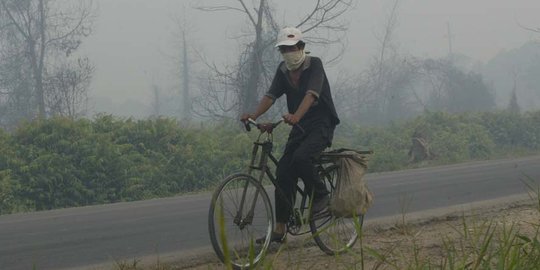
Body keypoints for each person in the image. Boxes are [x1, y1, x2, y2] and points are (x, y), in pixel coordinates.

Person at [240, 27, 340, 243]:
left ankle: (321, 196)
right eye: (284, 49)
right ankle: (280, 229)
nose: (288, 52)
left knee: (302, 158)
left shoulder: (315, 65)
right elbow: (271, 95)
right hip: (300, 127)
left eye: (292, 48)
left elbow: (311, 95)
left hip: (321, 124)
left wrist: (296, 115)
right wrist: (254, 116)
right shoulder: (283, 70)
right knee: (284, 171)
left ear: (302, 47)